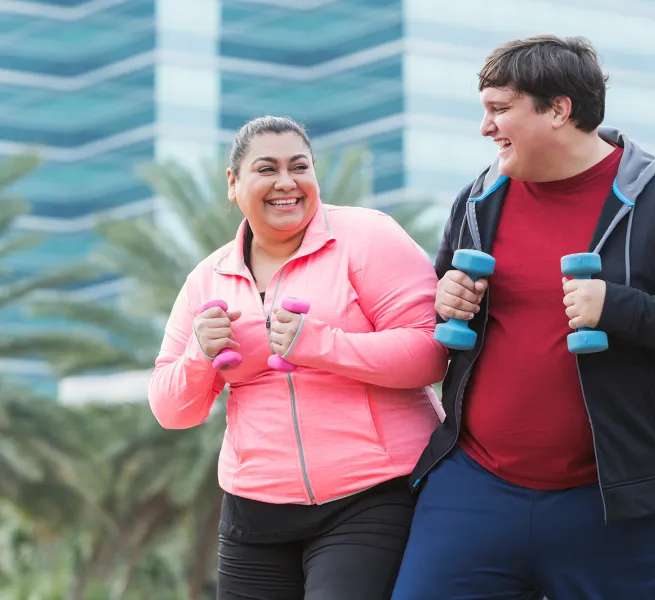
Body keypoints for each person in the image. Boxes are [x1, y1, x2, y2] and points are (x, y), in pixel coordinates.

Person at [391, 35, 655, 600]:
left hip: (618, 507)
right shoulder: (477, 199)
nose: (485, 127)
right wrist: (448, 298)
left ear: (559, 109)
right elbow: (443, 304)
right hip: (476, 490)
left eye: (499, 109)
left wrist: (618, 305)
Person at [148, 115, 448, 600]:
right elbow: (170, 410)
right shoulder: (208, 277)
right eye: (266, 169)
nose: (285, 183)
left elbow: (430, 354)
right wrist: (200, 355)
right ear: (233, 183)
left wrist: (317, 344)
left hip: (372, 495)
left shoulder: (367, 237)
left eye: (299, 167)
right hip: (254, 506)